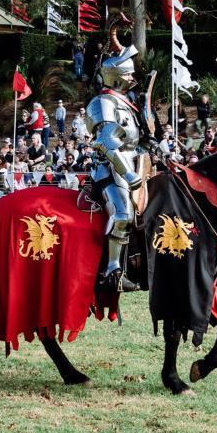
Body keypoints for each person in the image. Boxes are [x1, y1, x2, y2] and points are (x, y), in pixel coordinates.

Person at [85, 41, 150, 292]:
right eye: (129, 73)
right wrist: (129, 173)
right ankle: (112, 271)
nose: (133, 77)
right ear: (117, 77)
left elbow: (137, 140)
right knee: (123, 214)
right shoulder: (103, 103)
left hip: (135, 163)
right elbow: (106, 141)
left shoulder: (126, 103)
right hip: (111, 168)